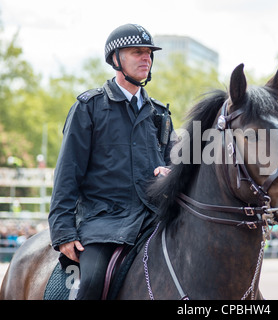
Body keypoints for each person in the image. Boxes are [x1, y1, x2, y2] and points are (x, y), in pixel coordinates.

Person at [48, 23, 174, 299]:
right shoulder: (88, 108)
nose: (146, 58)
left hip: (153, 216)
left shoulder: (161, 114)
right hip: (103, 221)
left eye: (149, 53)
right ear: (116, 59)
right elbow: (68, 171)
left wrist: (170, 173)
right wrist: (63, 230)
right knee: (91, 282)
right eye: (137, 52)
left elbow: (174, 163)